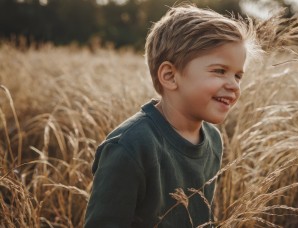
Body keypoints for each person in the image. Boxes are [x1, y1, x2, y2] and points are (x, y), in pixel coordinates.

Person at [84, 4, 260, 228]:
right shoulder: (129, 147)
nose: (234, 86)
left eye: (238, 76)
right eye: (219, 71)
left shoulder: (213, 140)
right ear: (169, 76)